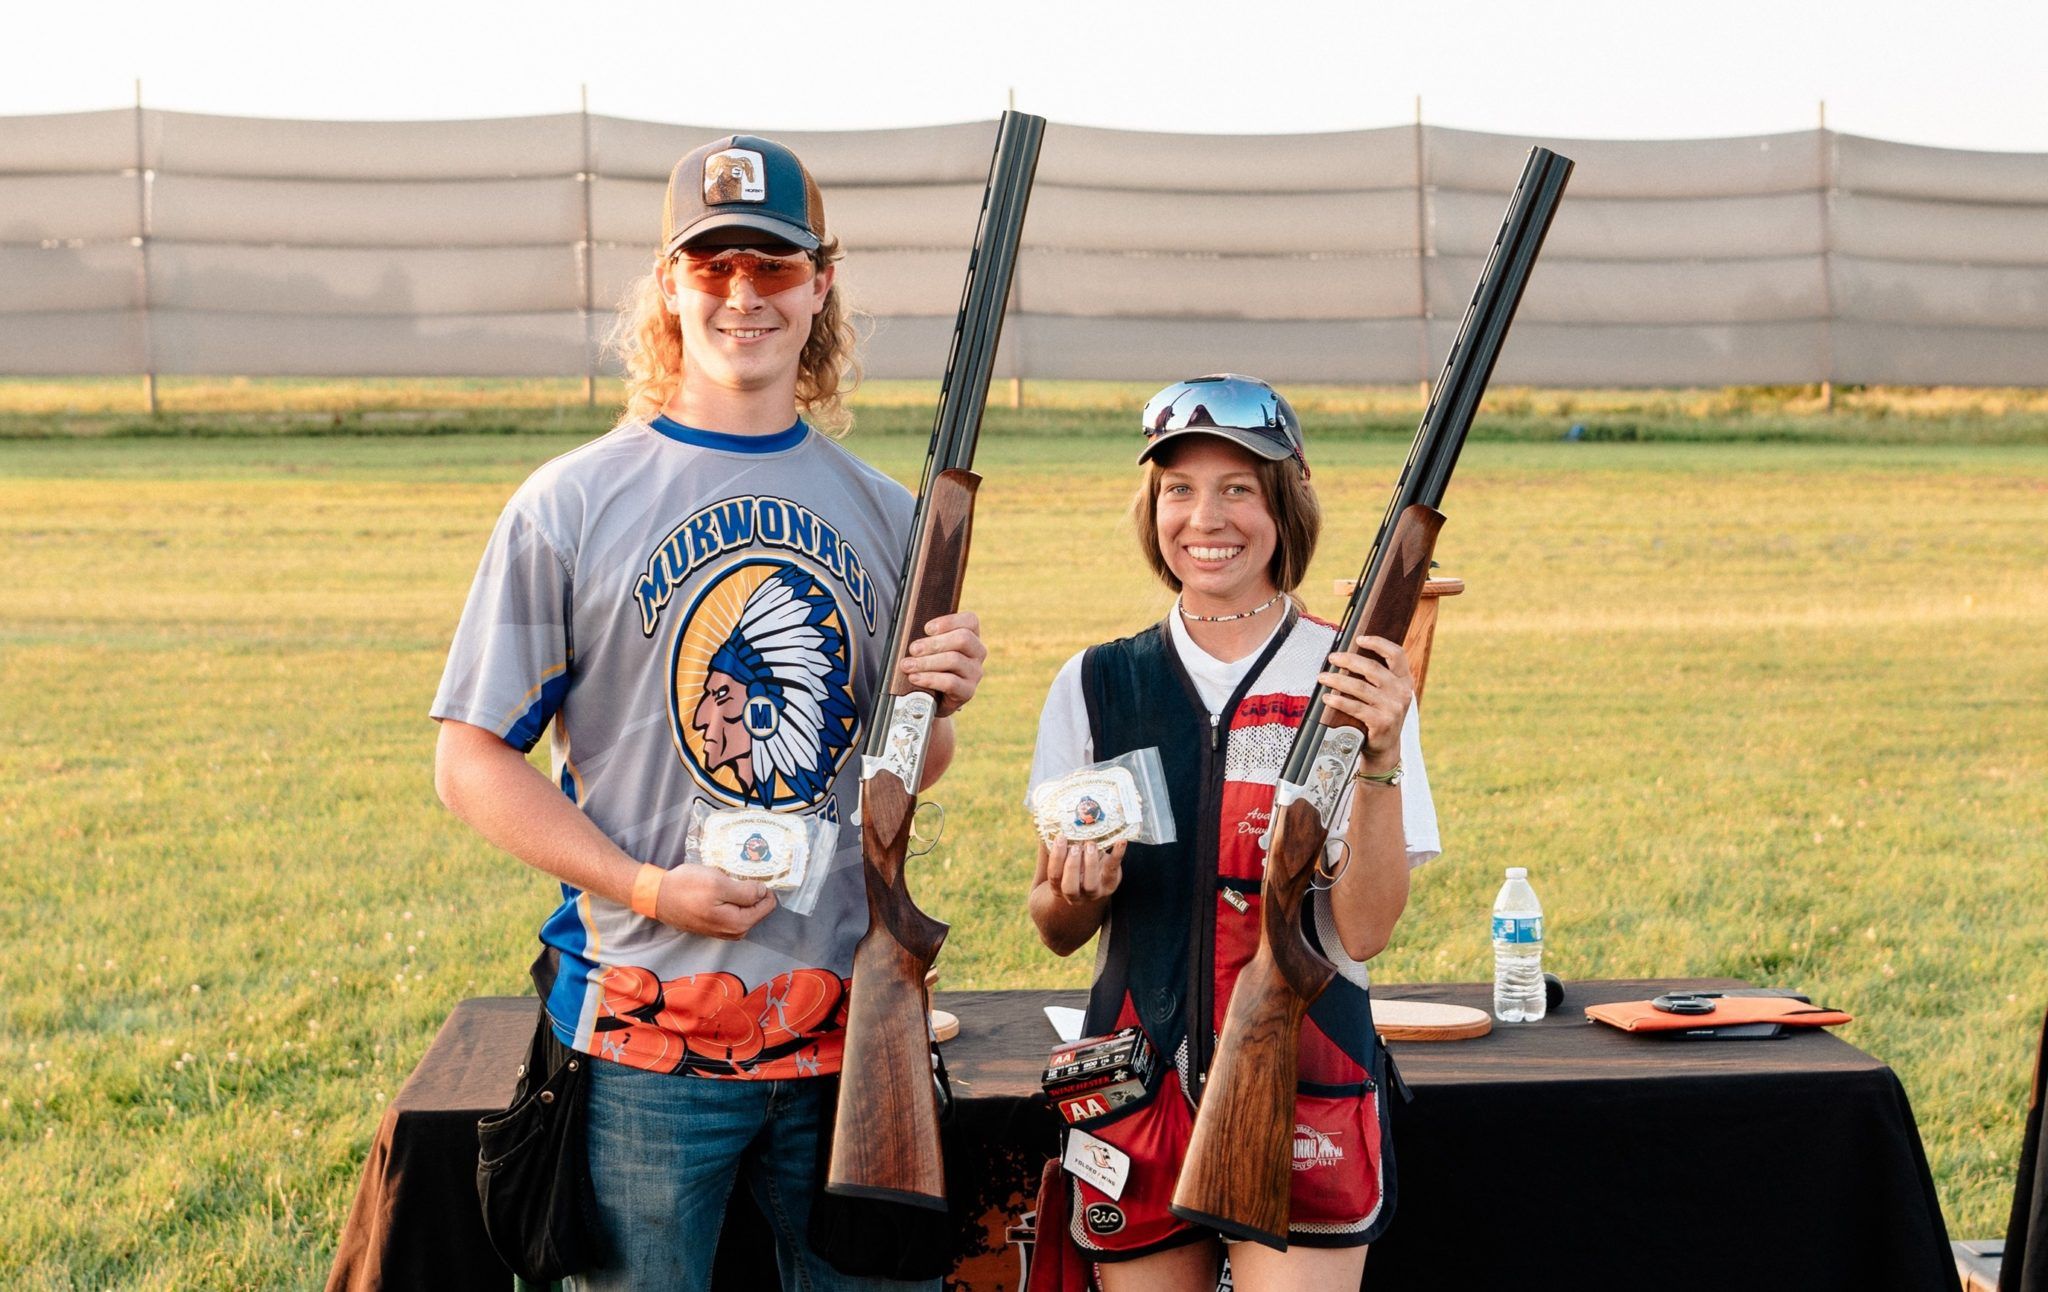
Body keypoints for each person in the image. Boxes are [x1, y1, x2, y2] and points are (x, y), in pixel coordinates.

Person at [432, 134, 983, 1292]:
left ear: (820, 285)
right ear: (671, 285)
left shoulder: (887, 514)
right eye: (714, 265)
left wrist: (936, 701)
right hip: (641, 1043)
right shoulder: (567, 504)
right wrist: (643, 887)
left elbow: (902, 764)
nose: (744, 295)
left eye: (774, 267)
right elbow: (472, 757)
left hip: (848, 1037)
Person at [1025, 374, 1441, 1292]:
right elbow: (1054, 928)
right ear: (1153, 507)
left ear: (1282, 506)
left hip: (1308, 1074)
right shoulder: (1094, 683)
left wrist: (1379, 752)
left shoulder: (1354, 678)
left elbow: (1364, 931)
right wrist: (1072, 893)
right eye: (1179, 488)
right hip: (1135, 1089)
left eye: (1237, 489)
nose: (1205, 517)